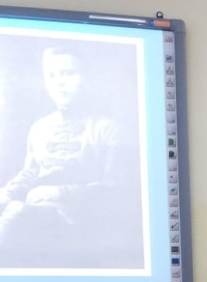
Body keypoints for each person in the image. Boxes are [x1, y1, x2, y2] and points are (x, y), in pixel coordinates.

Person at [0, 46, 132, 267]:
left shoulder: (107, 128)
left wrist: (59, 192)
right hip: (35, 211)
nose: (59, 82)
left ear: (87, 78)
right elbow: (30, 171)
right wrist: (7, 192)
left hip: (81, 220)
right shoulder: (39, 128)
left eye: (68, 73)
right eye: (52, 76)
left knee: (16, 213)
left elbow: (116, 189)